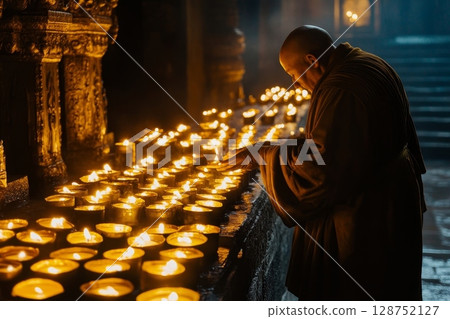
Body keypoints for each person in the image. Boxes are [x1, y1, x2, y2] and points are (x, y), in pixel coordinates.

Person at [220, 25, 426, 300]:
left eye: (294, 75)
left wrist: (268, 157)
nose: (296, 84)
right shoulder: (365, 63)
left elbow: (321, 171)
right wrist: (267, 148)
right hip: (392, 192)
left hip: (369, 211)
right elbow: (342, 146)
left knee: (361, 292)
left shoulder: (341, 88)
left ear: (311, 61)